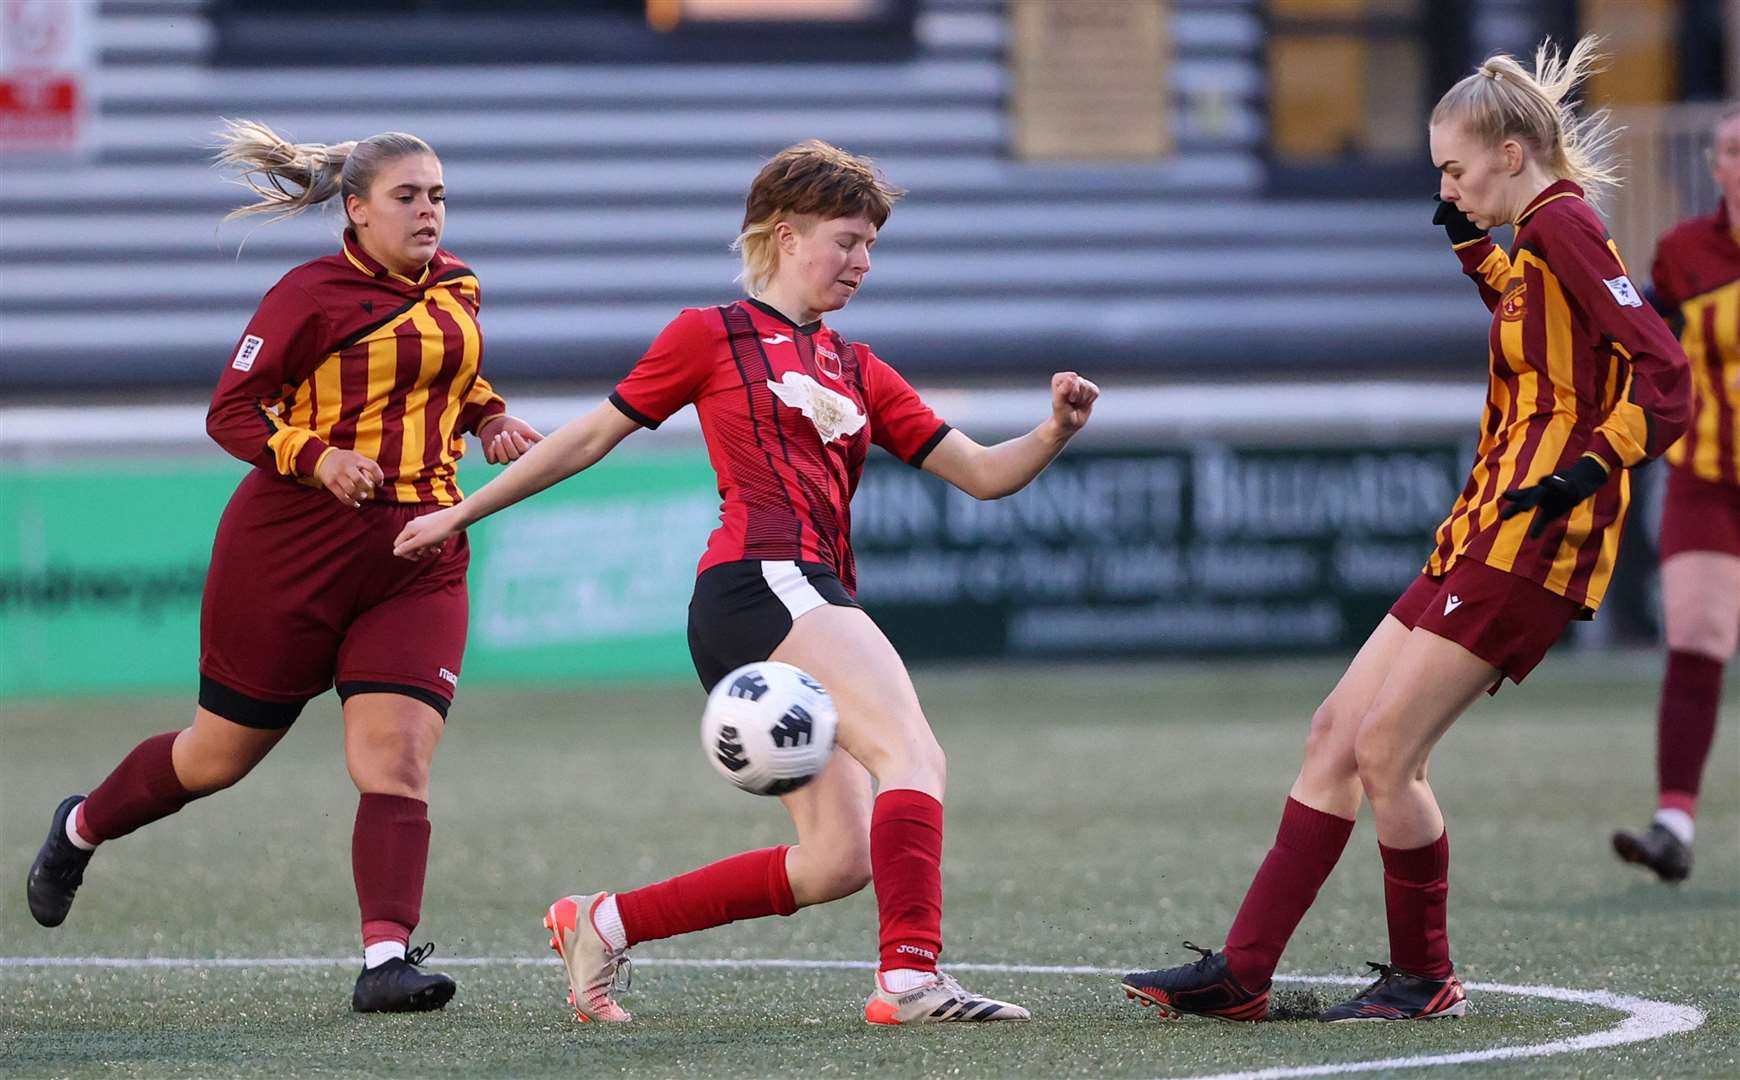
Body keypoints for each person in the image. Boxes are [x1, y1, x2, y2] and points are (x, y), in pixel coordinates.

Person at [393, 139, 1100, 1025]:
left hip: (789, 596)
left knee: (837, 860)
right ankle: (910, 979)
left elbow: (985, 473)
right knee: (914, 755)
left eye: (872, 245)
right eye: (847, 240)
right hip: (764, 581)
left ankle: (602, 923)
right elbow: (589, 436)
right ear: (784, 233)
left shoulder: (857, 365)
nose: (863, 261)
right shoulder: (710, 335)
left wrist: (1055, 431)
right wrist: (463, 511)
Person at [1119, 36, 1690, 1024]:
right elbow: (1532, 320)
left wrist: (1587, 473)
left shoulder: (1566, 227)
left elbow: (1666, 379)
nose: (1449, 186)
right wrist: (1469, 246)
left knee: (1387, 749)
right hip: (1478, 529)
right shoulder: (1531, 241)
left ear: (1512, 156)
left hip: (1531, 539)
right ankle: (1244, 972)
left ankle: (1425, 979)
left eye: (1455, 170)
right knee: (1337, 733)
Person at [24, 120, 543, 1013]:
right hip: (293, 551)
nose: (429, 211)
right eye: (408, 196)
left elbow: (451, 385)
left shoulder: (459, 284)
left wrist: (489, 418)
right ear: (356, 209)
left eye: (438, 194)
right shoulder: (307, 295)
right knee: (215, 758)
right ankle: (81, 827)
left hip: (417, 552)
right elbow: (231, 412)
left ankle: (386, 962)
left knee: (397, 757)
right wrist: (318, 457)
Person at [1612, 103, 1740, 884]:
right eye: (1731, 149)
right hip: (1707, 476)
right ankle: (1673, 824)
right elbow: (1647, 344)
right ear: (1717, 165)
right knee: (1695, 636)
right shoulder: (1685, 253)